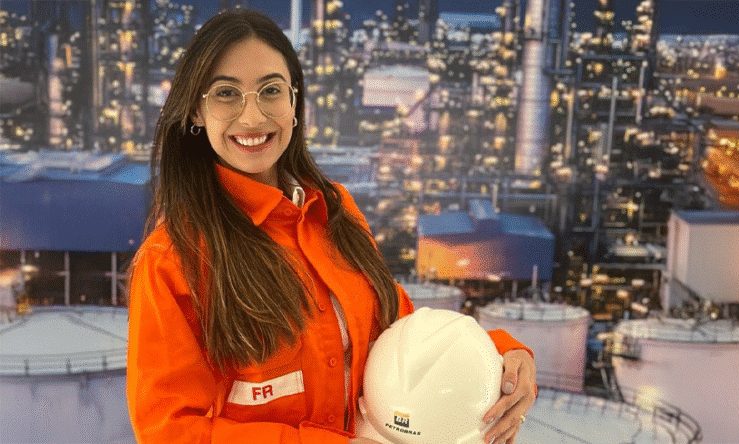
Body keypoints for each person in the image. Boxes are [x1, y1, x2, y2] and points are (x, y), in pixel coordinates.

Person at [126, 9, 536, 444]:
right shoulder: (173, 262)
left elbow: (398, 337)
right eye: (226, 93)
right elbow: (170, 432)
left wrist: (497, 357)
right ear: (196, 111)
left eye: (271, 91)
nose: (252, 117)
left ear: (294, 102)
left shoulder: (335, 212)